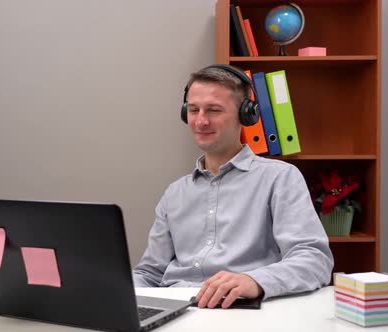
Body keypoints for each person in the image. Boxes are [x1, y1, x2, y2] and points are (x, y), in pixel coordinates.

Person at [132, 64, 334, 309]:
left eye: (214, 110)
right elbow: (150, 273)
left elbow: (315, 260)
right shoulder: (175, 193)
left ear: (246, 115)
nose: (201, 120)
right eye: (193, 110)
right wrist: (108, 288)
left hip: (238, 311)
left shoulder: (280, 178)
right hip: (176, 310)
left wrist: (255, 281)